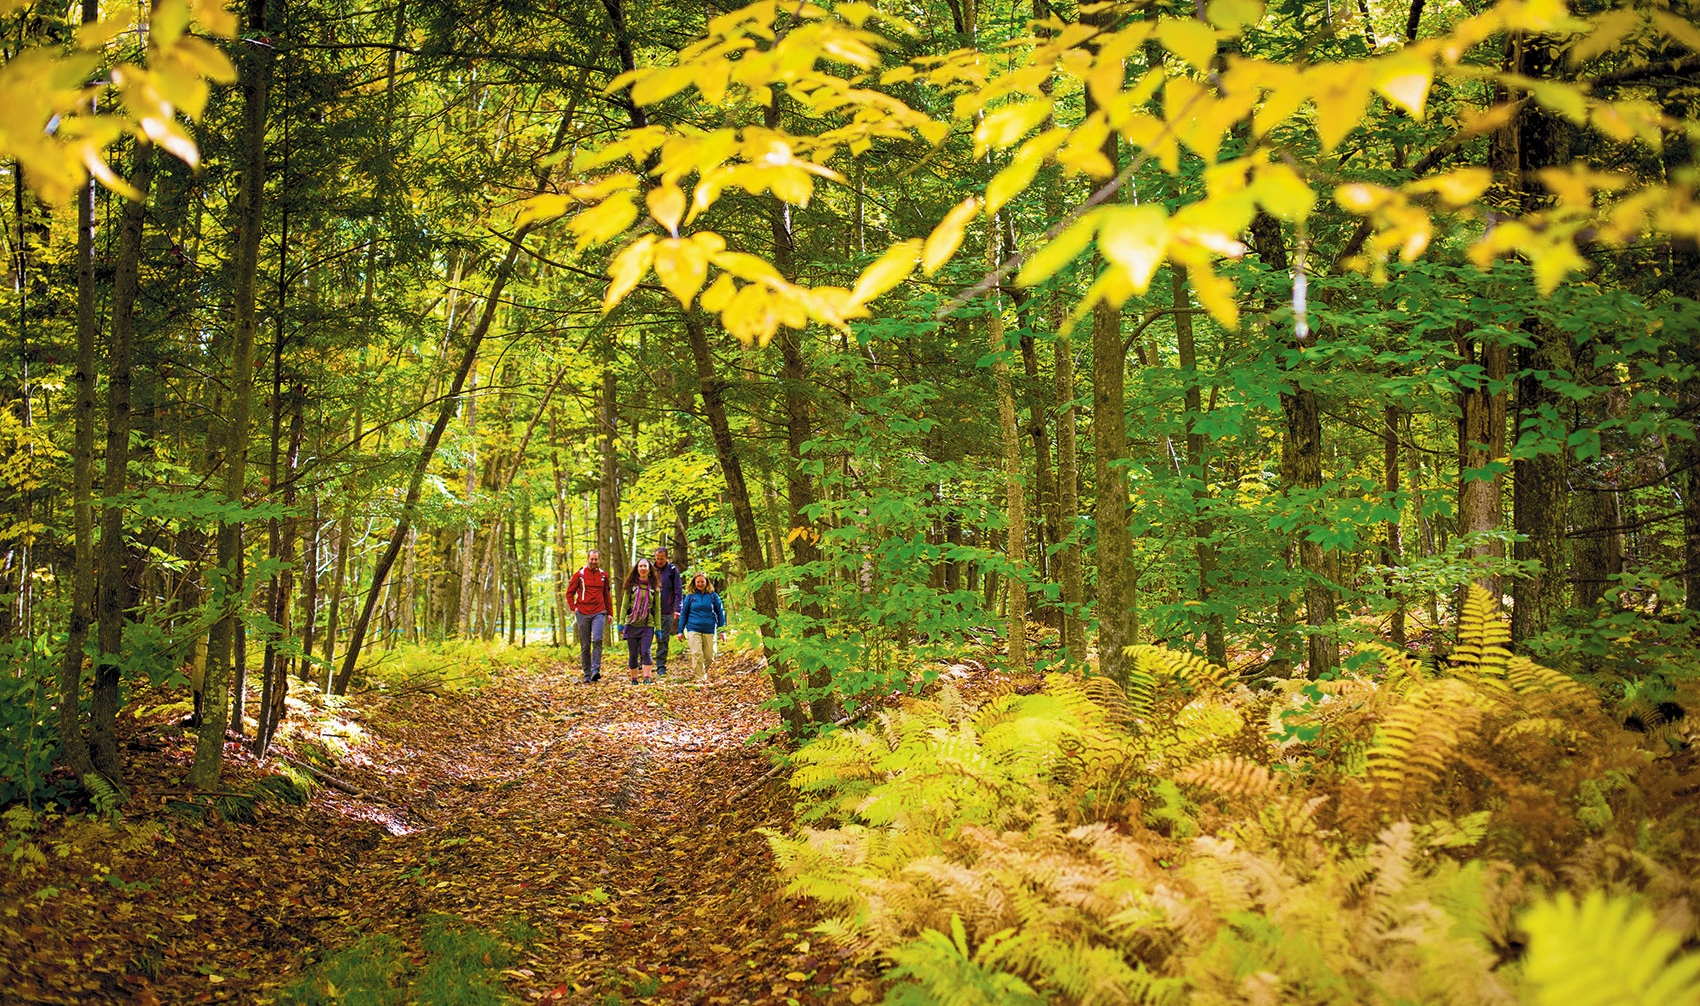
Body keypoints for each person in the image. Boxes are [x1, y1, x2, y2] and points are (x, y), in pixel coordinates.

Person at [566, 549, 613, 684]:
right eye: (591, 559)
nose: (593, 562)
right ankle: (586, 673)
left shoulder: (603, 575)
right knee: (585, 645)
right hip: (582, 612)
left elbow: (606, 595)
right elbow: (569, 593)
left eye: (596, 559)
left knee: (597, 639)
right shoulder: (579, 575)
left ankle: (595, 670)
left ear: (599, 560)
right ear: (588, 559)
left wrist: (610, 613)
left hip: (599, 612)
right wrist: (573, 608)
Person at [676, 572, 725, 684]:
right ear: (694, 583)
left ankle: (701, 672)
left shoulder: (713, 596)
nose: (700, 584)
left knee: (710, 656)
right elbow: (684, 614)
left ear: (706, 582)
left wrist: (723, 630)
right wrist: (680, 631)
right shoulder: (690, 597)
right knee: (697, 654)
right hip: (693, 628)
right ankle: (700, 679)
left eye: (702, 581)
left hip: (710, 629)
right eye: (697, 582)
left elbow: (721, 613)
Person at [621, 558, 661, 684]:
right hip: (632, 623)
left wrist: (658, 628)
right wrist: (621, 623)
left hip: (647, 624)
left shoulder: (654, 589)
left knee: (645, 651)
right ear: (637, 569)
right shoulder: (631, 586)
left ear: (649, 569)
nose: (643, 568)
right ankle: (634, 679)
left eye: (645, 566)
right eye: (640, 566)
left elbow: (657, 609)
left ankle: (647, 678)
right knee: (633, 654)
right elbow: (624, 605)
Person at [652, 546, 682, 677]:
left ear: (667, 558)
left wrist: (677, 609)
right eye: (657, 558)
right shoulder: (650, 569)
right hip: (650, 610)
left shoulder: (672, 570)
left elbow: (678, 590)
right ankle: (644, 663)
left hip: (667, 610)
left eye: (662, 559)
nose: (659, 561)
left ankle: (661, 666)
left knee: (663, 639)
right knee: (645, 637)